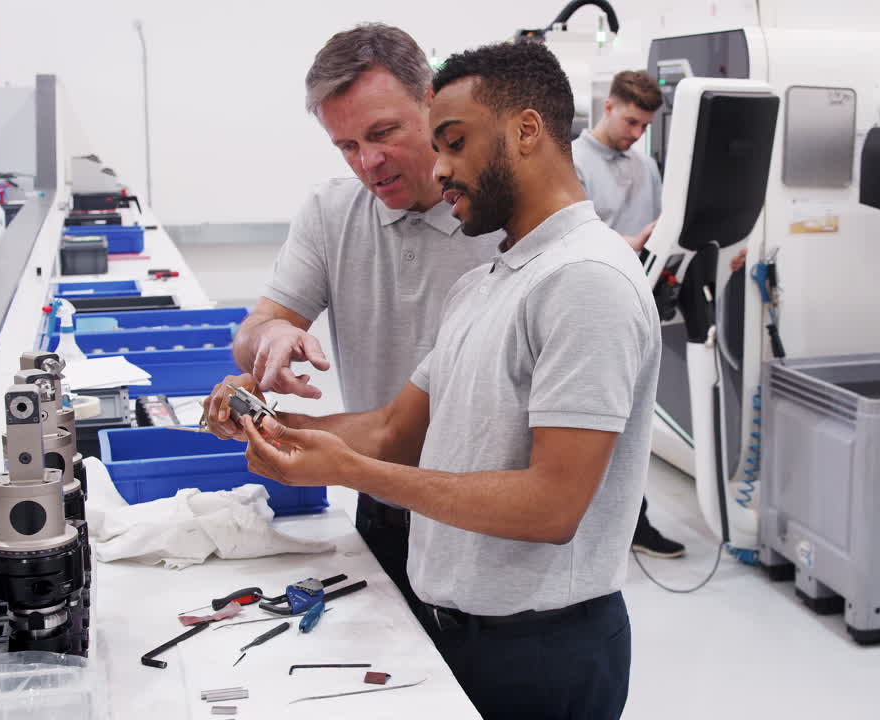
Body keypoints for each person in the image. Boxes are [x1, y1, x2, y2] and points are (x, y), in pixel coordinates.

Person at [236, 41, 659, 720]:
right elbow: (396, 430)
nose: (439, 169)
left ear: (525, 131)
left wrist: (352, 471)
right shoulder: (487, 284)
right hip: (458, 629)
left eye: (453, 143)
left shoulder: (587, 280)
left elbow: (552, 508)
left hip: (541, 652)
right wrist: (274, 428)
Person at [204, 24, 499, 621]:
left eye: (383, 133)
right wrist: (272, 338)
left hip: (488, 521)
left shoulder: (500, 221)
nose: (369, 161)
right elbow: (255, 331)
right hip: (384, 504)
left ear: (431, 100)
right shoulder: (331, 212)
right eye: (346, 146)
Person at [573, 69, 687, 559]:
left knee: (632, 423)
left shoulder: (645, 166)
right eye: (631, 122)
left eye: (645, 127)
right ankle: (583, 525)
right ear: (609, 107)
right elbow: (568, 232)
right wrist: (624, 242)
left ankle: (630, 522)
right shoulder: (573, 162)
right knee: (590, 424)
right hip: (588, 307)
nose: (636, 134)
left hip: (640, 303)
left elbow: (662, 225)